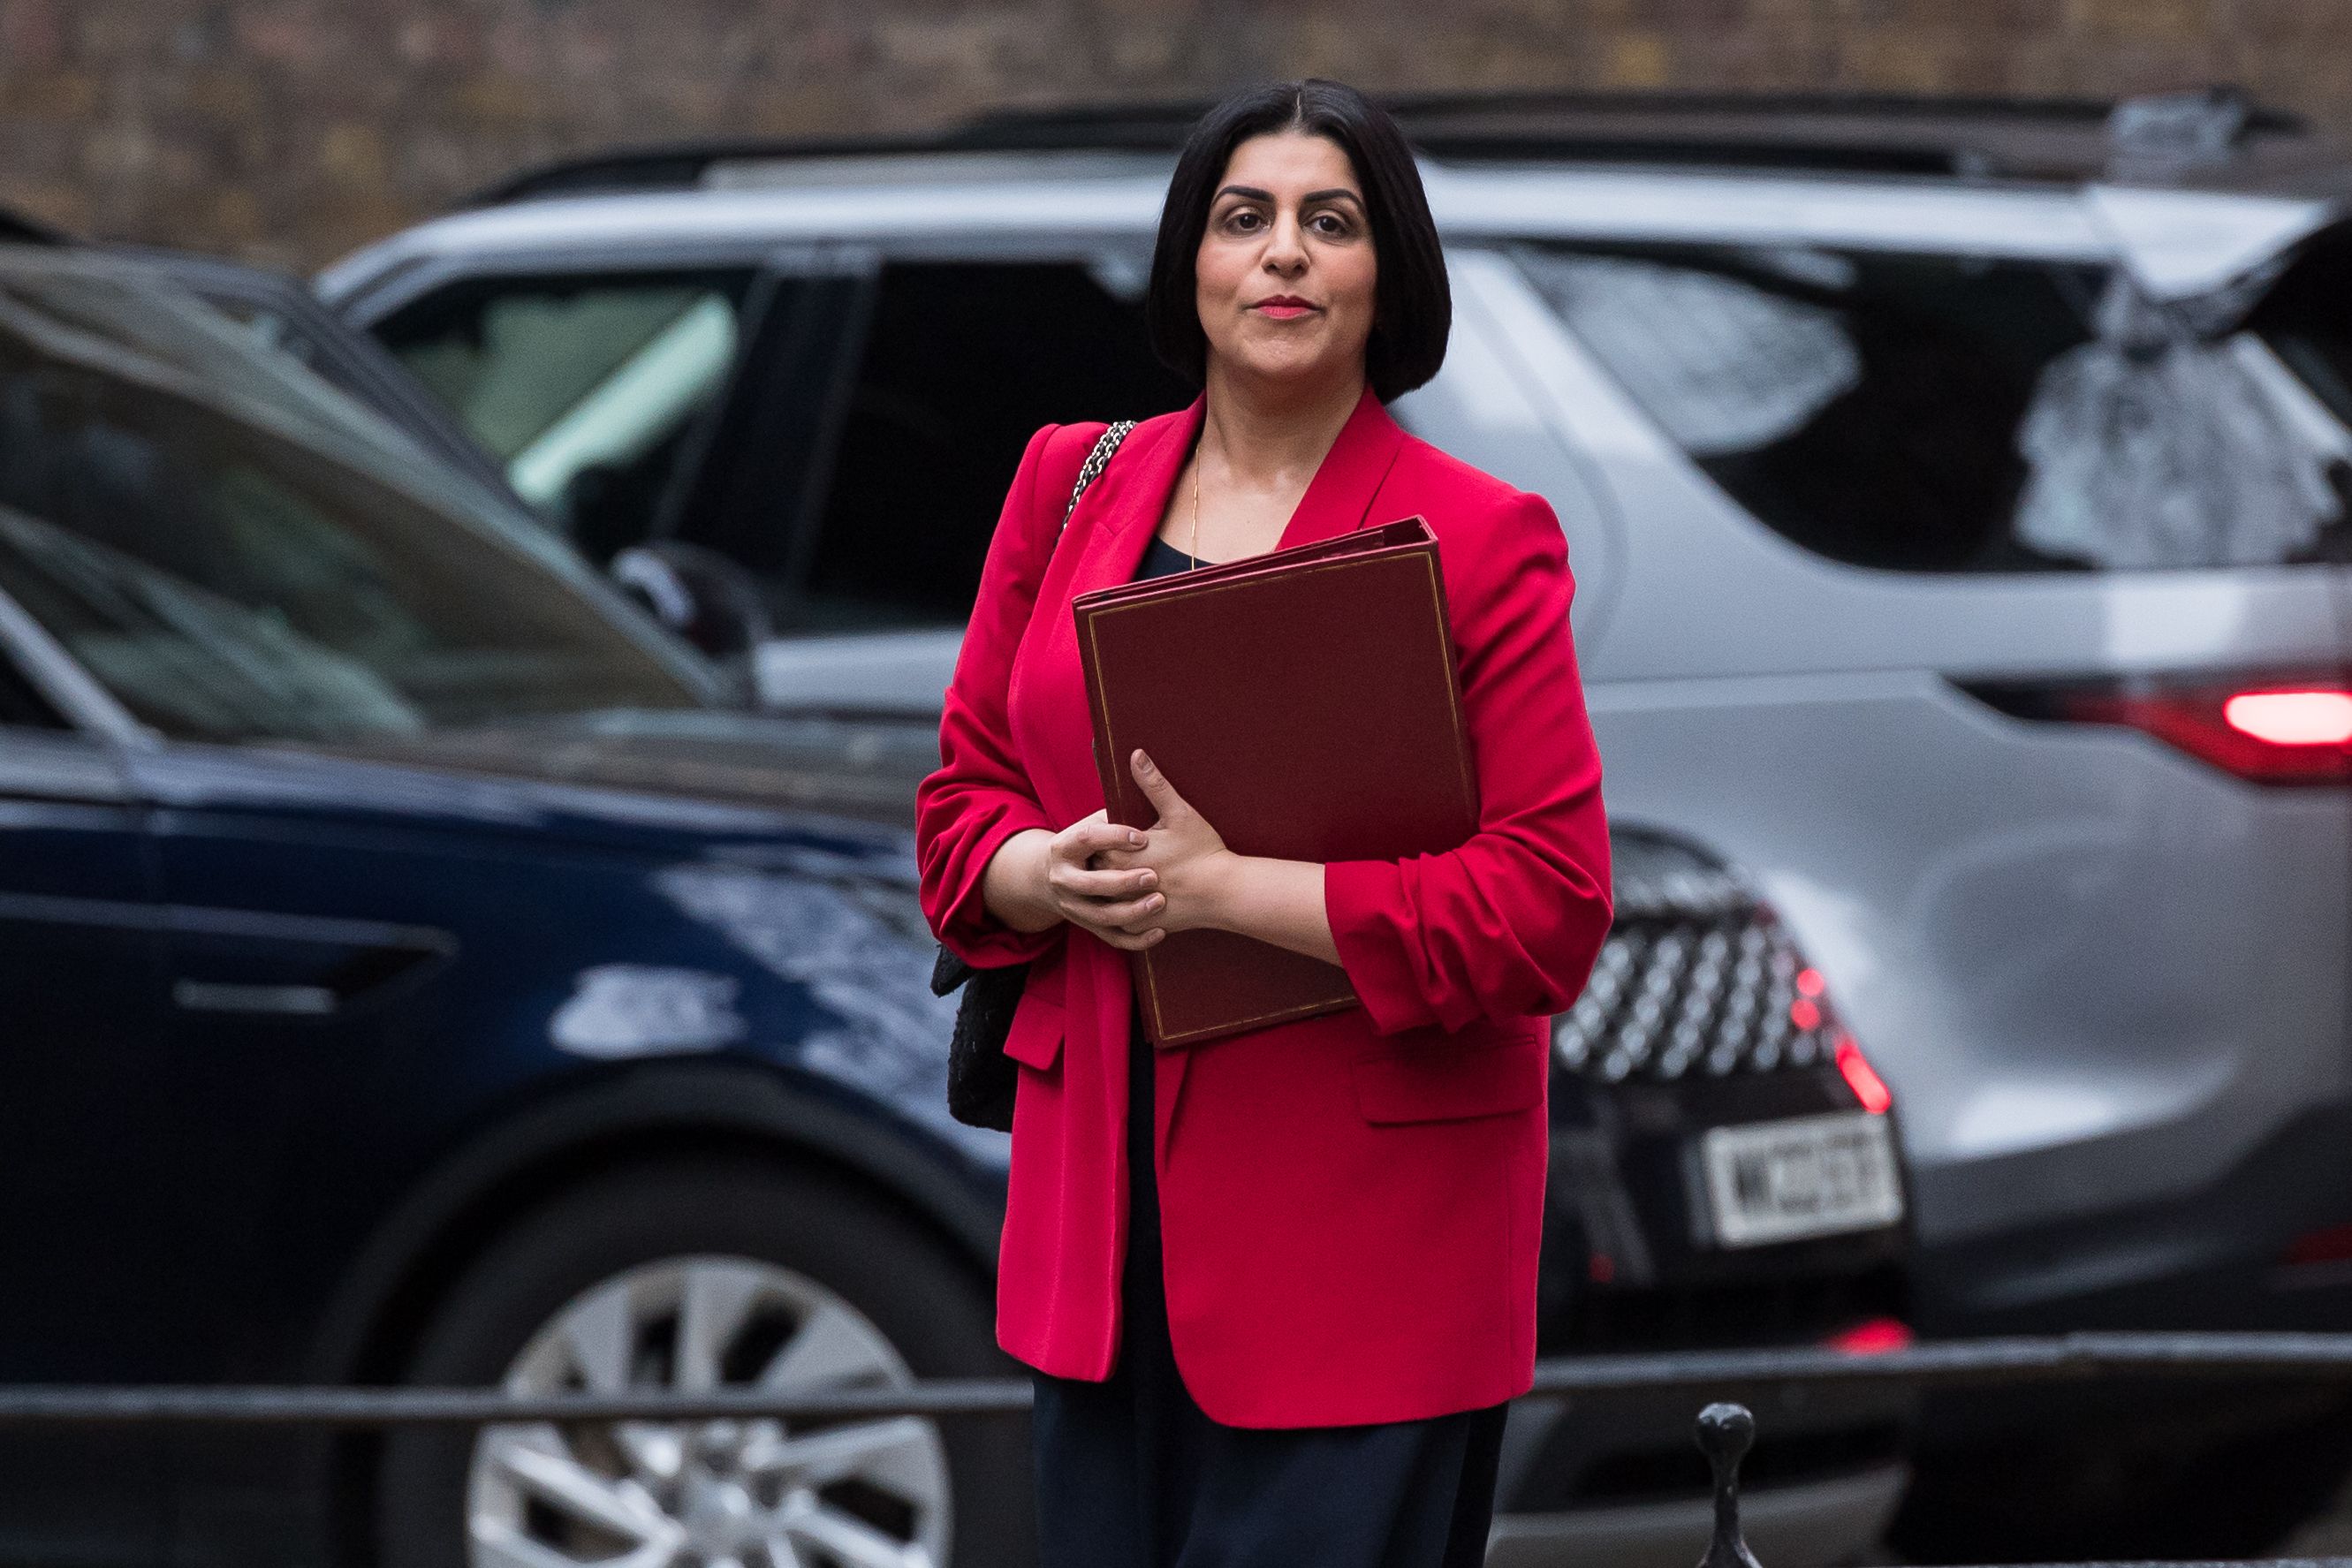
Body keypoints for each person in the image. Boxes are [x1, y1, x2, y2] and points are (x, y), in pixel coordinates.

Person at [914, 78, 1612, 1568]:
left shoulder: (1481, 538)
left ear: (1387, 274)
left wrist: (1230, 890)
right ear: (1191, 261)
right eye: (1244, 217)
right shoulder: (1065, 481)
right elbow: (961, 804)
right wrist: (1038, 873)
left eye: (1329, 222)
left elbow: (1545, 908)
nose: (1282, 252)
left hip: (1363, 1255)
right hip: (1098, 1244)